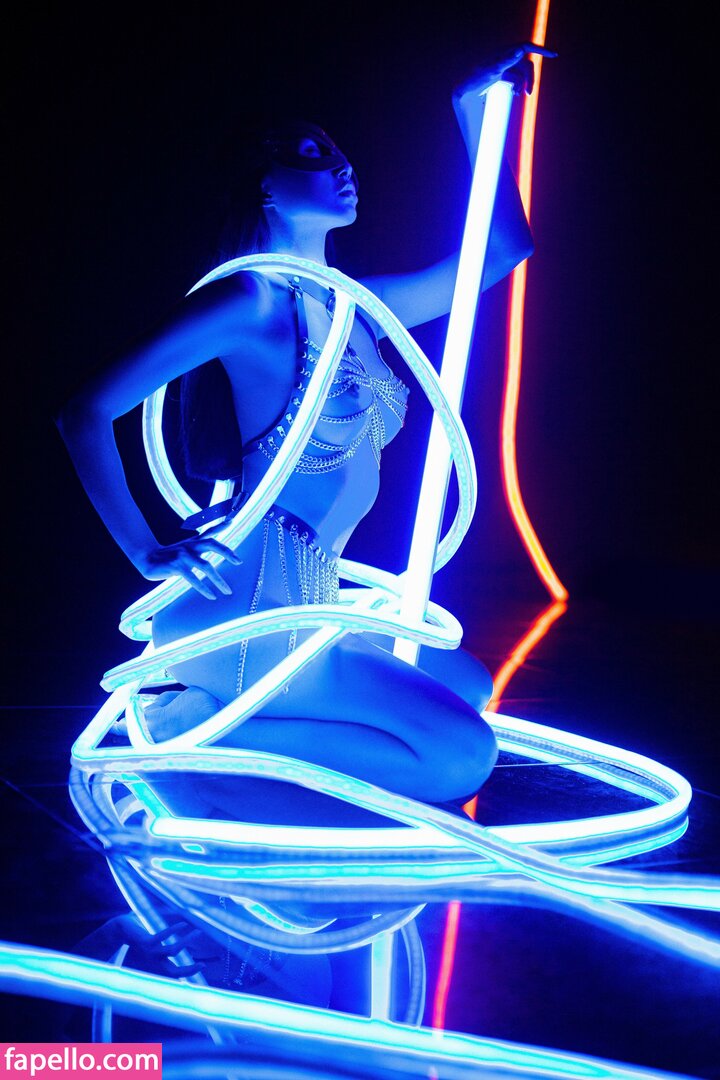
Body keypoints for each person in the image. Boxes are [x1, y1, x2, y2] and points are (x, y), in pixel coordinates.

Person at [56, 44, 552, 816]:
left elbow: (504, 252)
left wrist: (471, 112)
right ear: (264, 183)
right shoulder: (252, 303)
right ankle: (195, 730)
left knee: (468, 685)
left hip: (308, 599)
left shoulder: (356, 305)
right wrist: (146, 551)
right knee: (461, 757)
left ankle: (227, 717)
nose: (343, 166)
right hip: (253, 613)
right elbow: (84, 412)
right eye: (312, 154)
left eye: (341, 152)